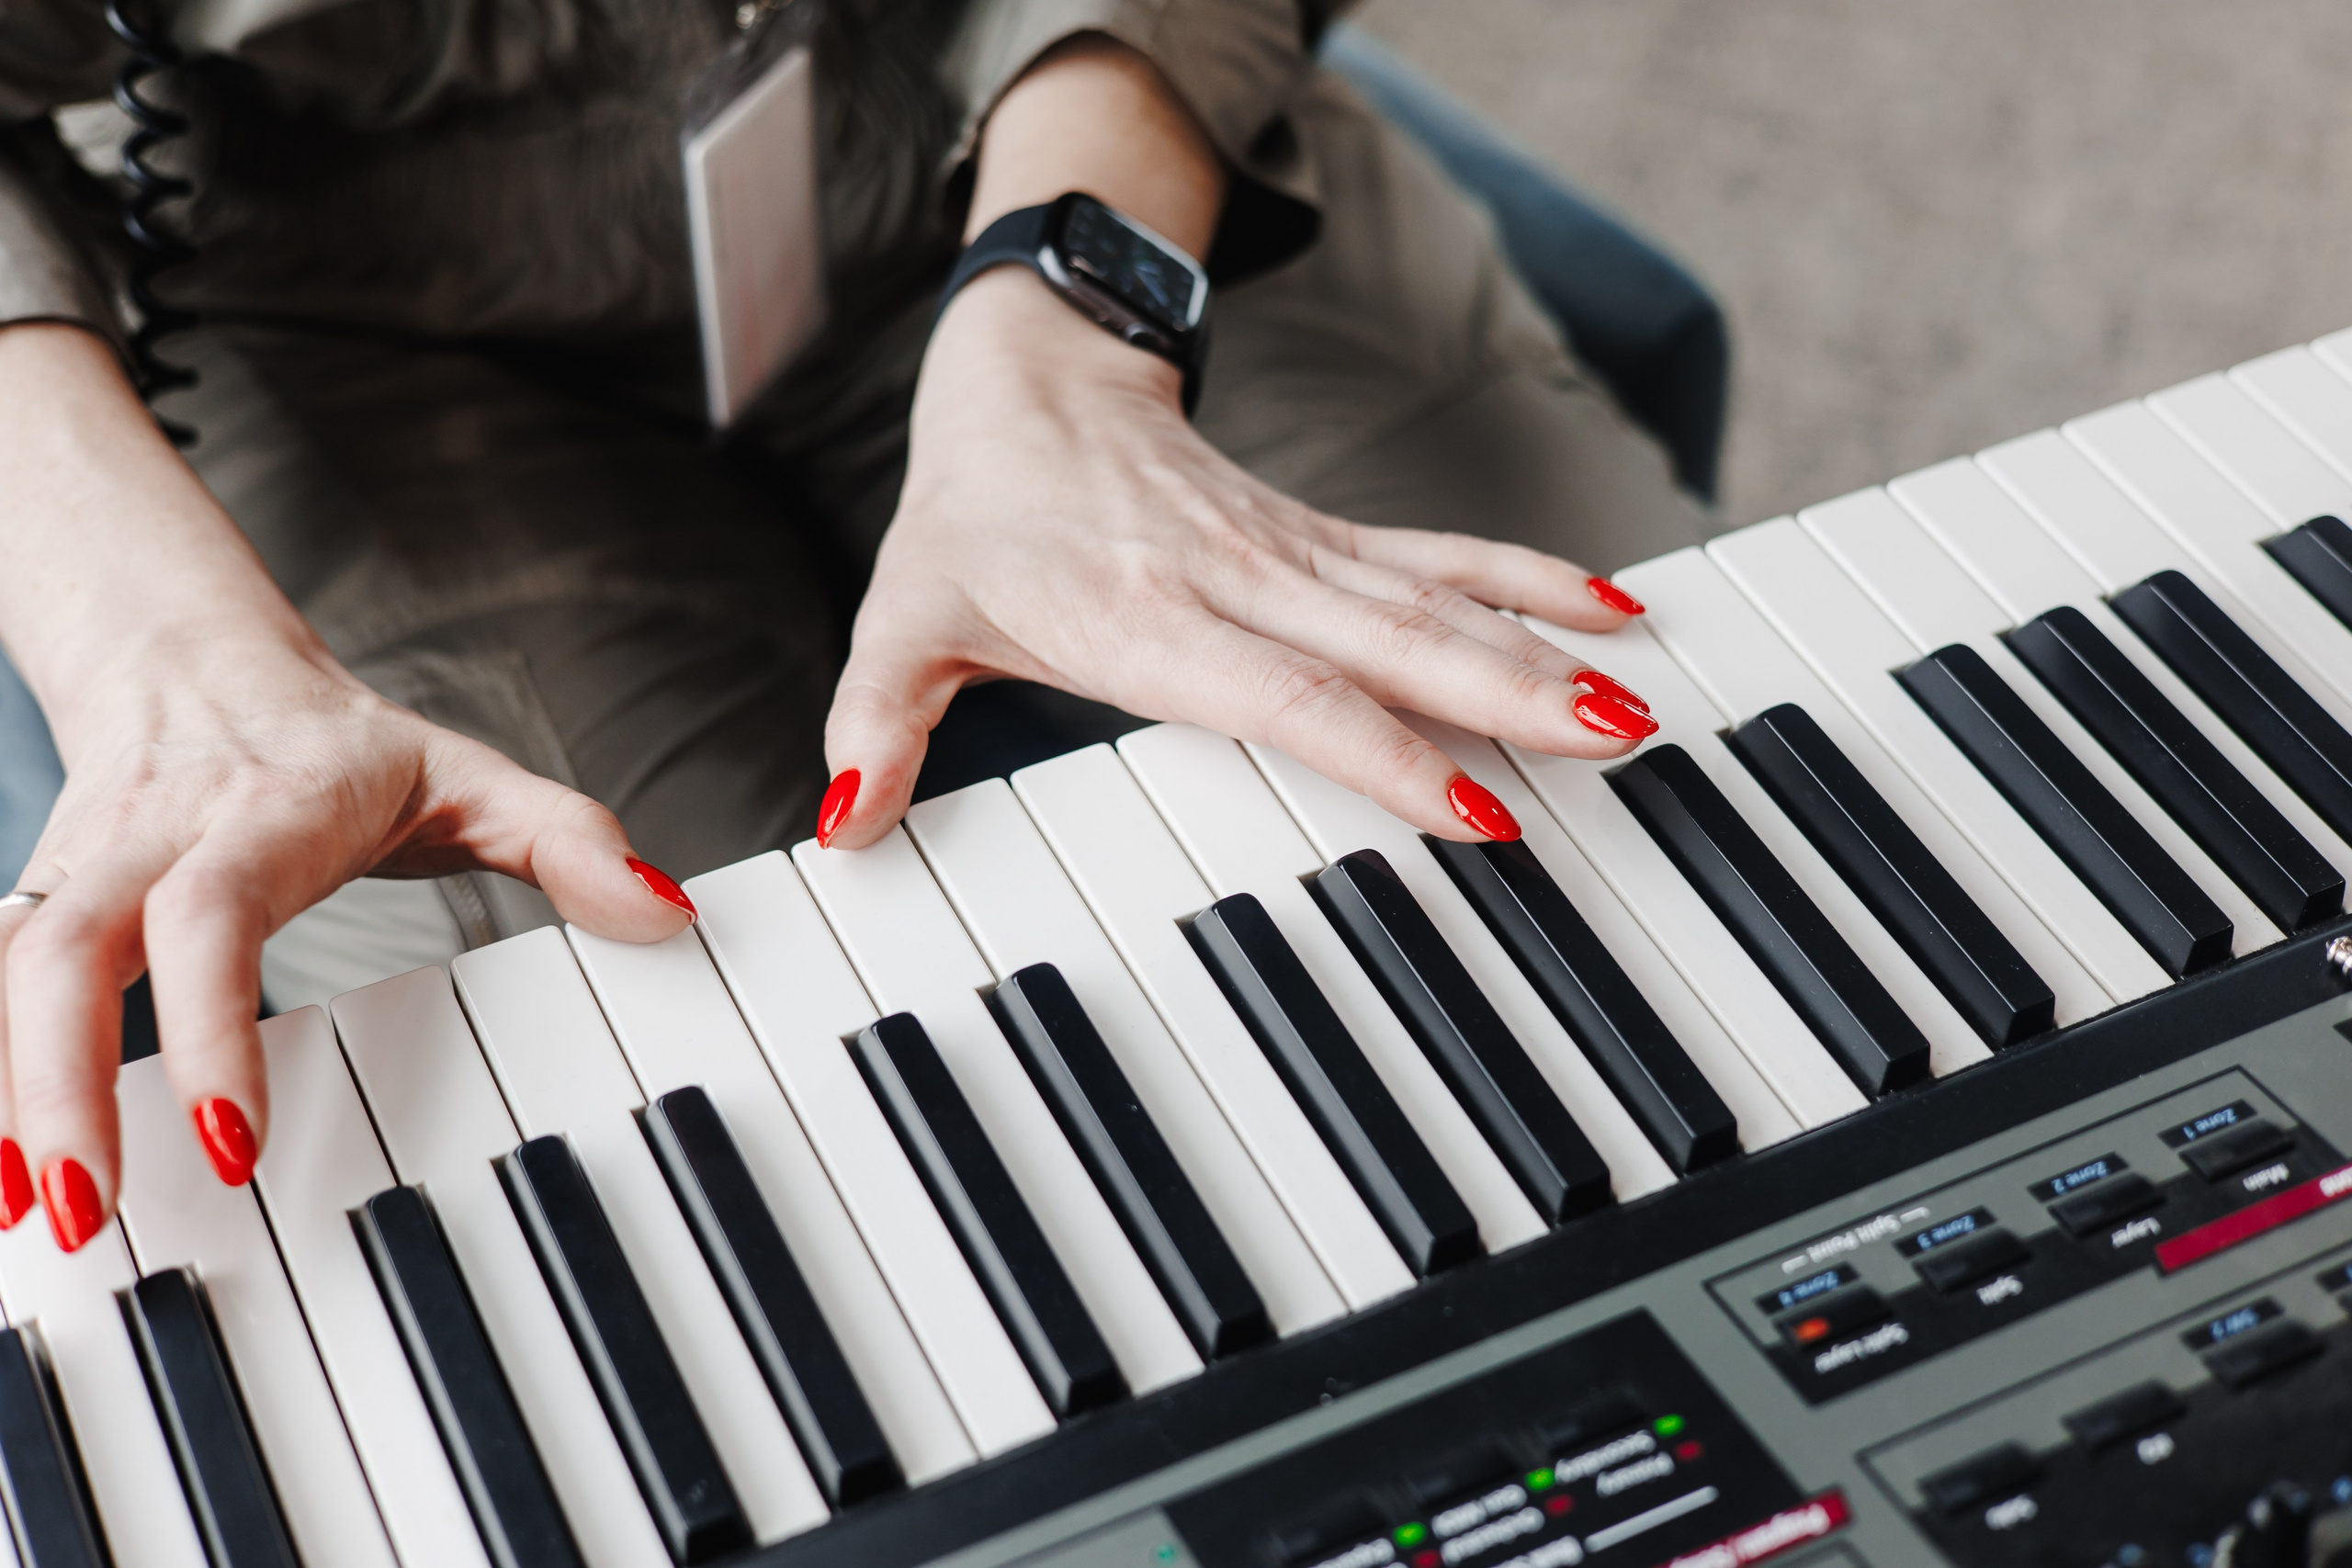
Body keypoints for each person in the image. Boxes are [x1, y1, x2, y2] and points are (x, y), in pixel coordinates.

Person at [0, 0, 1709, 1253]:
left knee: (1617, 728)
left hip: (1021, 121)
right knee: (572, 1071)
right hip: (356, 326)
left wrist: (1070, 314)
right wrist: (158, 650)